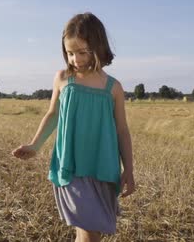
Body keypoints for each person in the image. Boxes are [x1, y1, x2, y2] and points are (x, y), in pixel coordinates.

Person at [12, 12, 135, 242]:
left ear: (98, 47)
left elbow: (122, 131)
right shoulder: (62, 78)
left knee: (88, 233)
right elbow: (53, 114)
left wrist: (128, 169)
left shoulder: (113, 88)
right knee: (89, 233)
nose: (75, 59)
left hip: (103, 168)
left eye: (82, 52)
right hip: (72, 166)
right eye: (70, 53)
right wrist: (34, 145)